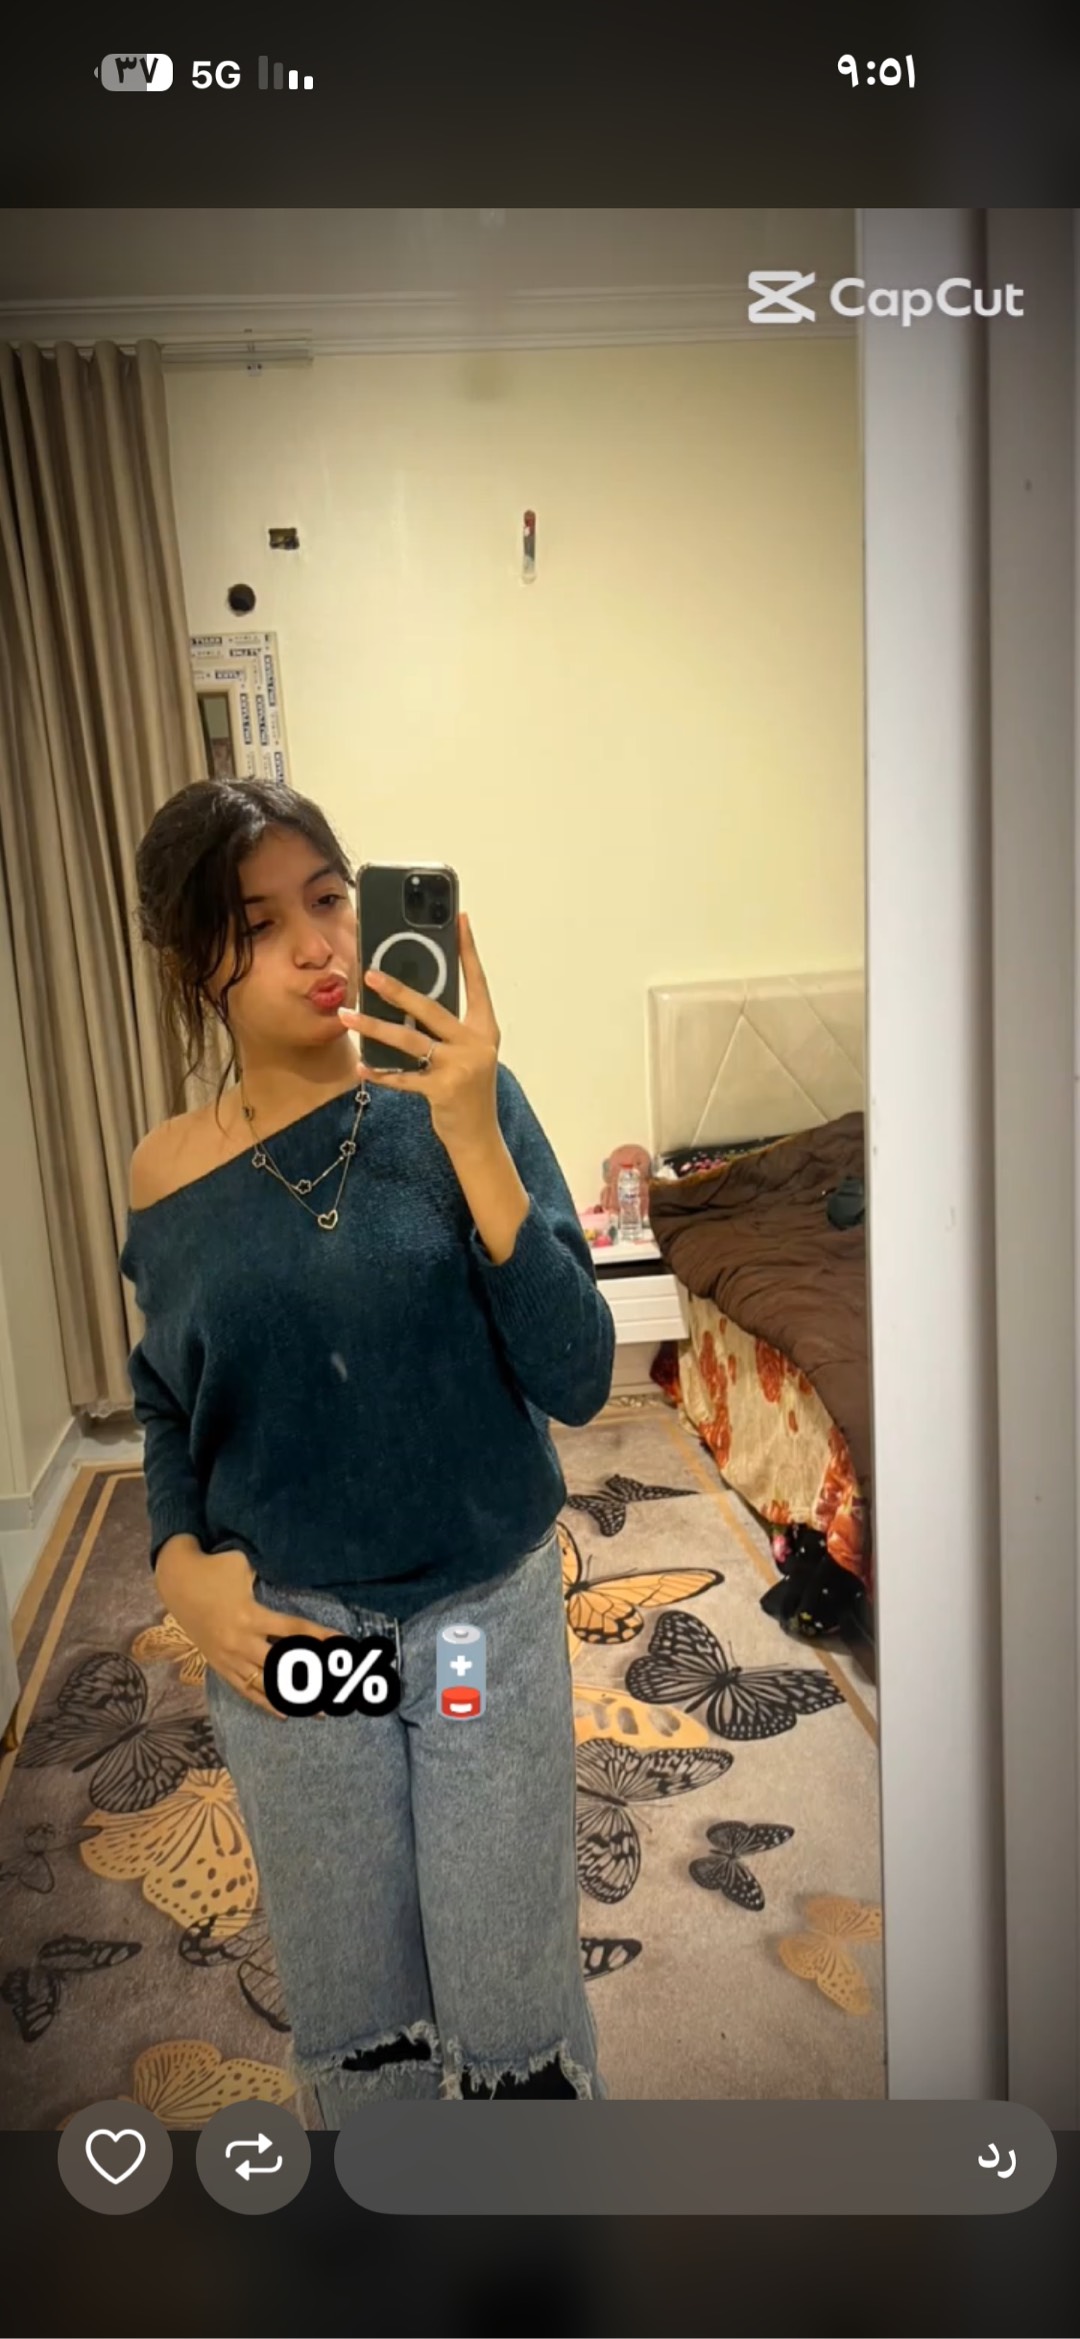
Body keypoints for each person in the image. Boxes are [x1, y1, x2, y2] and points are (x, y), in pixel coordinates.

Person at [119, 778, 615, 2124]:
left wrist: (471, 1133)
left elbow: (579, 1377)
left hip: (474, 1626)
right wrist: (177, 1565)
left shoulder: (465, 1106)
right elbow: (166, 1402)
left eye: (329, 899)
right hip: (297, 1641)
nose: (317, 946)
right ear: (194, 963)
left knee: (510, 1999)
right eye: (257, 923)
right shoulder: (166, 1177)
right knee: (363, 2016)